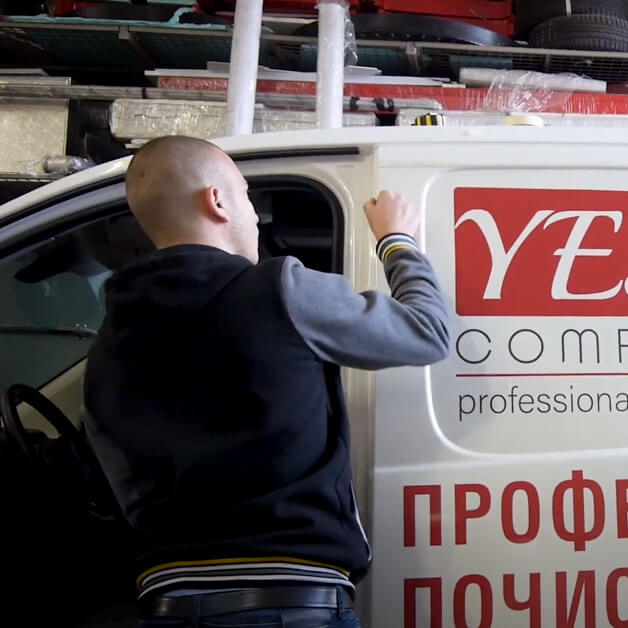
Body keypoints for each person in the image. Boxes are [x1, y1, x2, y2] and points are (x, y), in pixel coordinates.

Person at [82, 135, 450, 628]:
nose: (255, 215)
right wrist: (396, 239)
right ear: (216, 200)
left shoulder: (107, 341)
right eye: (245, 196)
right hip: (289, 602)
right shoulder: (280, 290)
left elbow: (121, 485)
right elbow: (427, 332)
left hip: (166, 603)